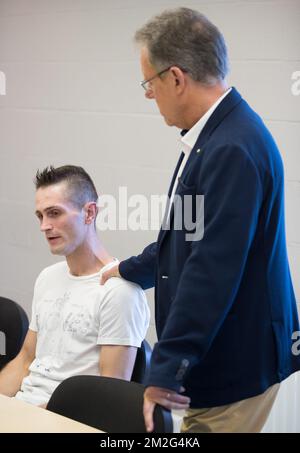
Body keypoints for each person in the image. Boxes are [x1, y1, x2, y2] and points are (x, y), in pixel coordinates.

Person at [101, 7, 300, 433]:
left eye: (148, 82)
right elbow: (188, 234)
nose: (148, 95)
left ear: (176, 77)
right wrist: (129, 268)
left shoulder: (232, 147)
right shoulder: (213, 136)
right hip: (217, 360)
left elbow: (212, 269)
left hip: (234, 366)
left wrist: (165, 368)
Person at [0, 165, 150, 407]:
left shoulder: (120, 292)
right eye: (40, 216)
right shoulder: (48, 277)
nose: (44, 226)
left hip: (68, 419)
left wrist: (35, 416)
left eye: (54, 213)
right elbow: (25, 361)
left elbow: (109, 394)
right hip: (25, 409)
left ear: (89, 213)